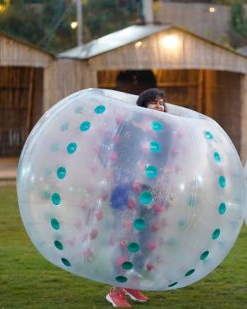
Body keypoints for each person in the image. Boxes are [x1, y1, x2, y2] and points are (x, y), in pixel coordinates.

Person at [105, 88, 167, 308]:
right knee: (125, 239)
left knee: (145, 240)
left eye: (161, 102)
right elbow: (116, 158)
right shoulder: (128, 129)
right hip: (129, 191)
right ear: (143, 106)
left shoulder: (162, 132)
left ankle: (131, 282)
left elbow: (163, 162)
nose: (159, 105)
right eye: (154, 102)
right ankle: (115, 290)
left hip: (151, 193)